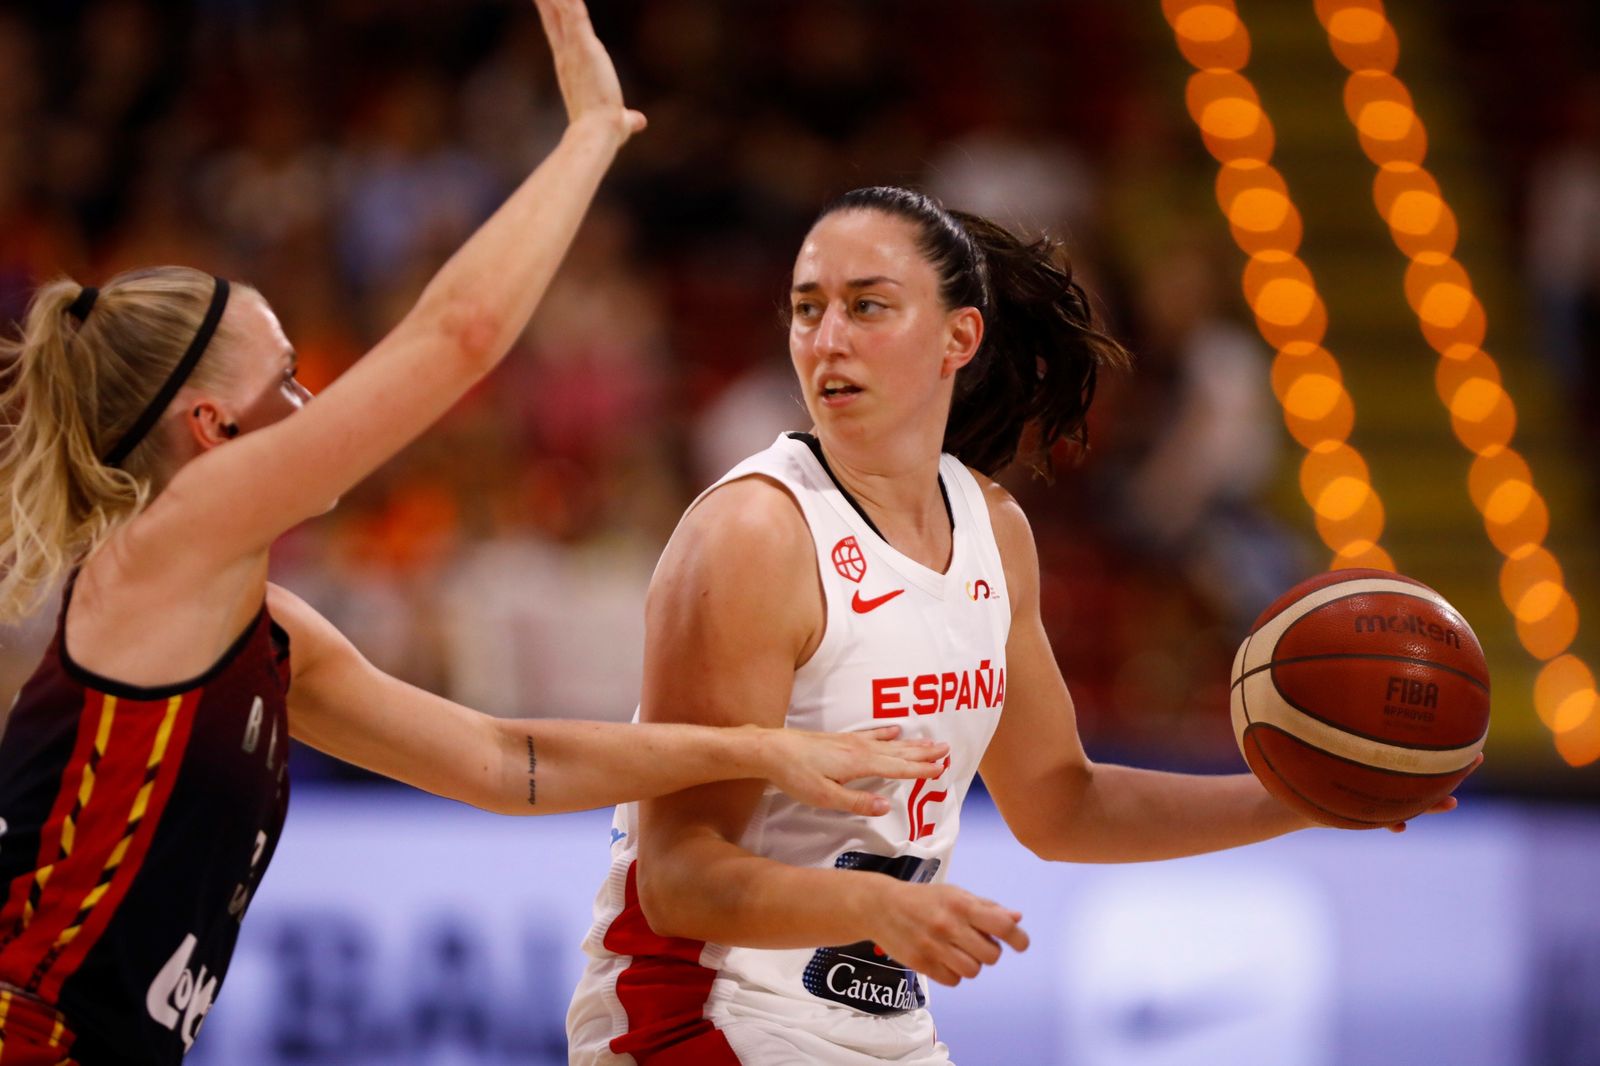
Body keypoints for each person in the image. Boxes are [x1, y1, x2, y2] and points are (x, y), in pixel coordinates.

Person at [0, 6, 949, 1064]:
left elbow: (506, 761)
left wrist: (758, 749)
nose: (315, 402)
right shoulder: (162, 549)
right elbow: (459, 337)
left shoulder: (263, 629)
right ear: (209, 428)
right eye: (288, 379)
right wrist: (590, 131)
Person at [566, 186, 1472, 1065]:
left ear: (960, 337)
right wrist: (874, 911)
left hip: (880, 1028)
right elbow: (678, 879)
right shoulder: (753, 536)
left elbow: (1062, 803)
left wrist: (1303, 799)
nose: (827, 339)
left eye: (868, 307)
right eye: (808, 309)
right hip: (698, 1016)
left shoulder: (993, 530)